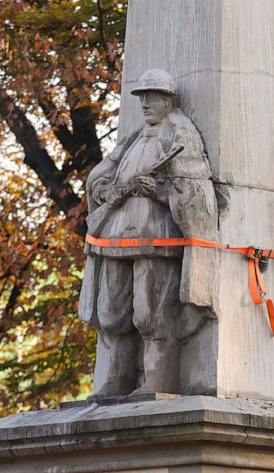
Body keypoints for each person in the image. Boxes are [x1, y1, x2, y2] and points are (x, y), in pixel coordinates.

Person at [79, 68, 220, 397]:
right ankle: (117, 377)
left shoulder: (180, 134)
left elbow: (194, 191)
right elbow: (103, 175)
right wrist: (105, 191)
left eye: (152, 98)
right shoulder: (135, 136)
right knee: (111, 311)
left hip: (157, 237)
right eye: (142, 98)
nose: (145, 104)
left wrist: (157, 190)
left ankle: (157, 379)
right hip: (115, 237)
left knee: (150, 313)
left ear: (168, 101)